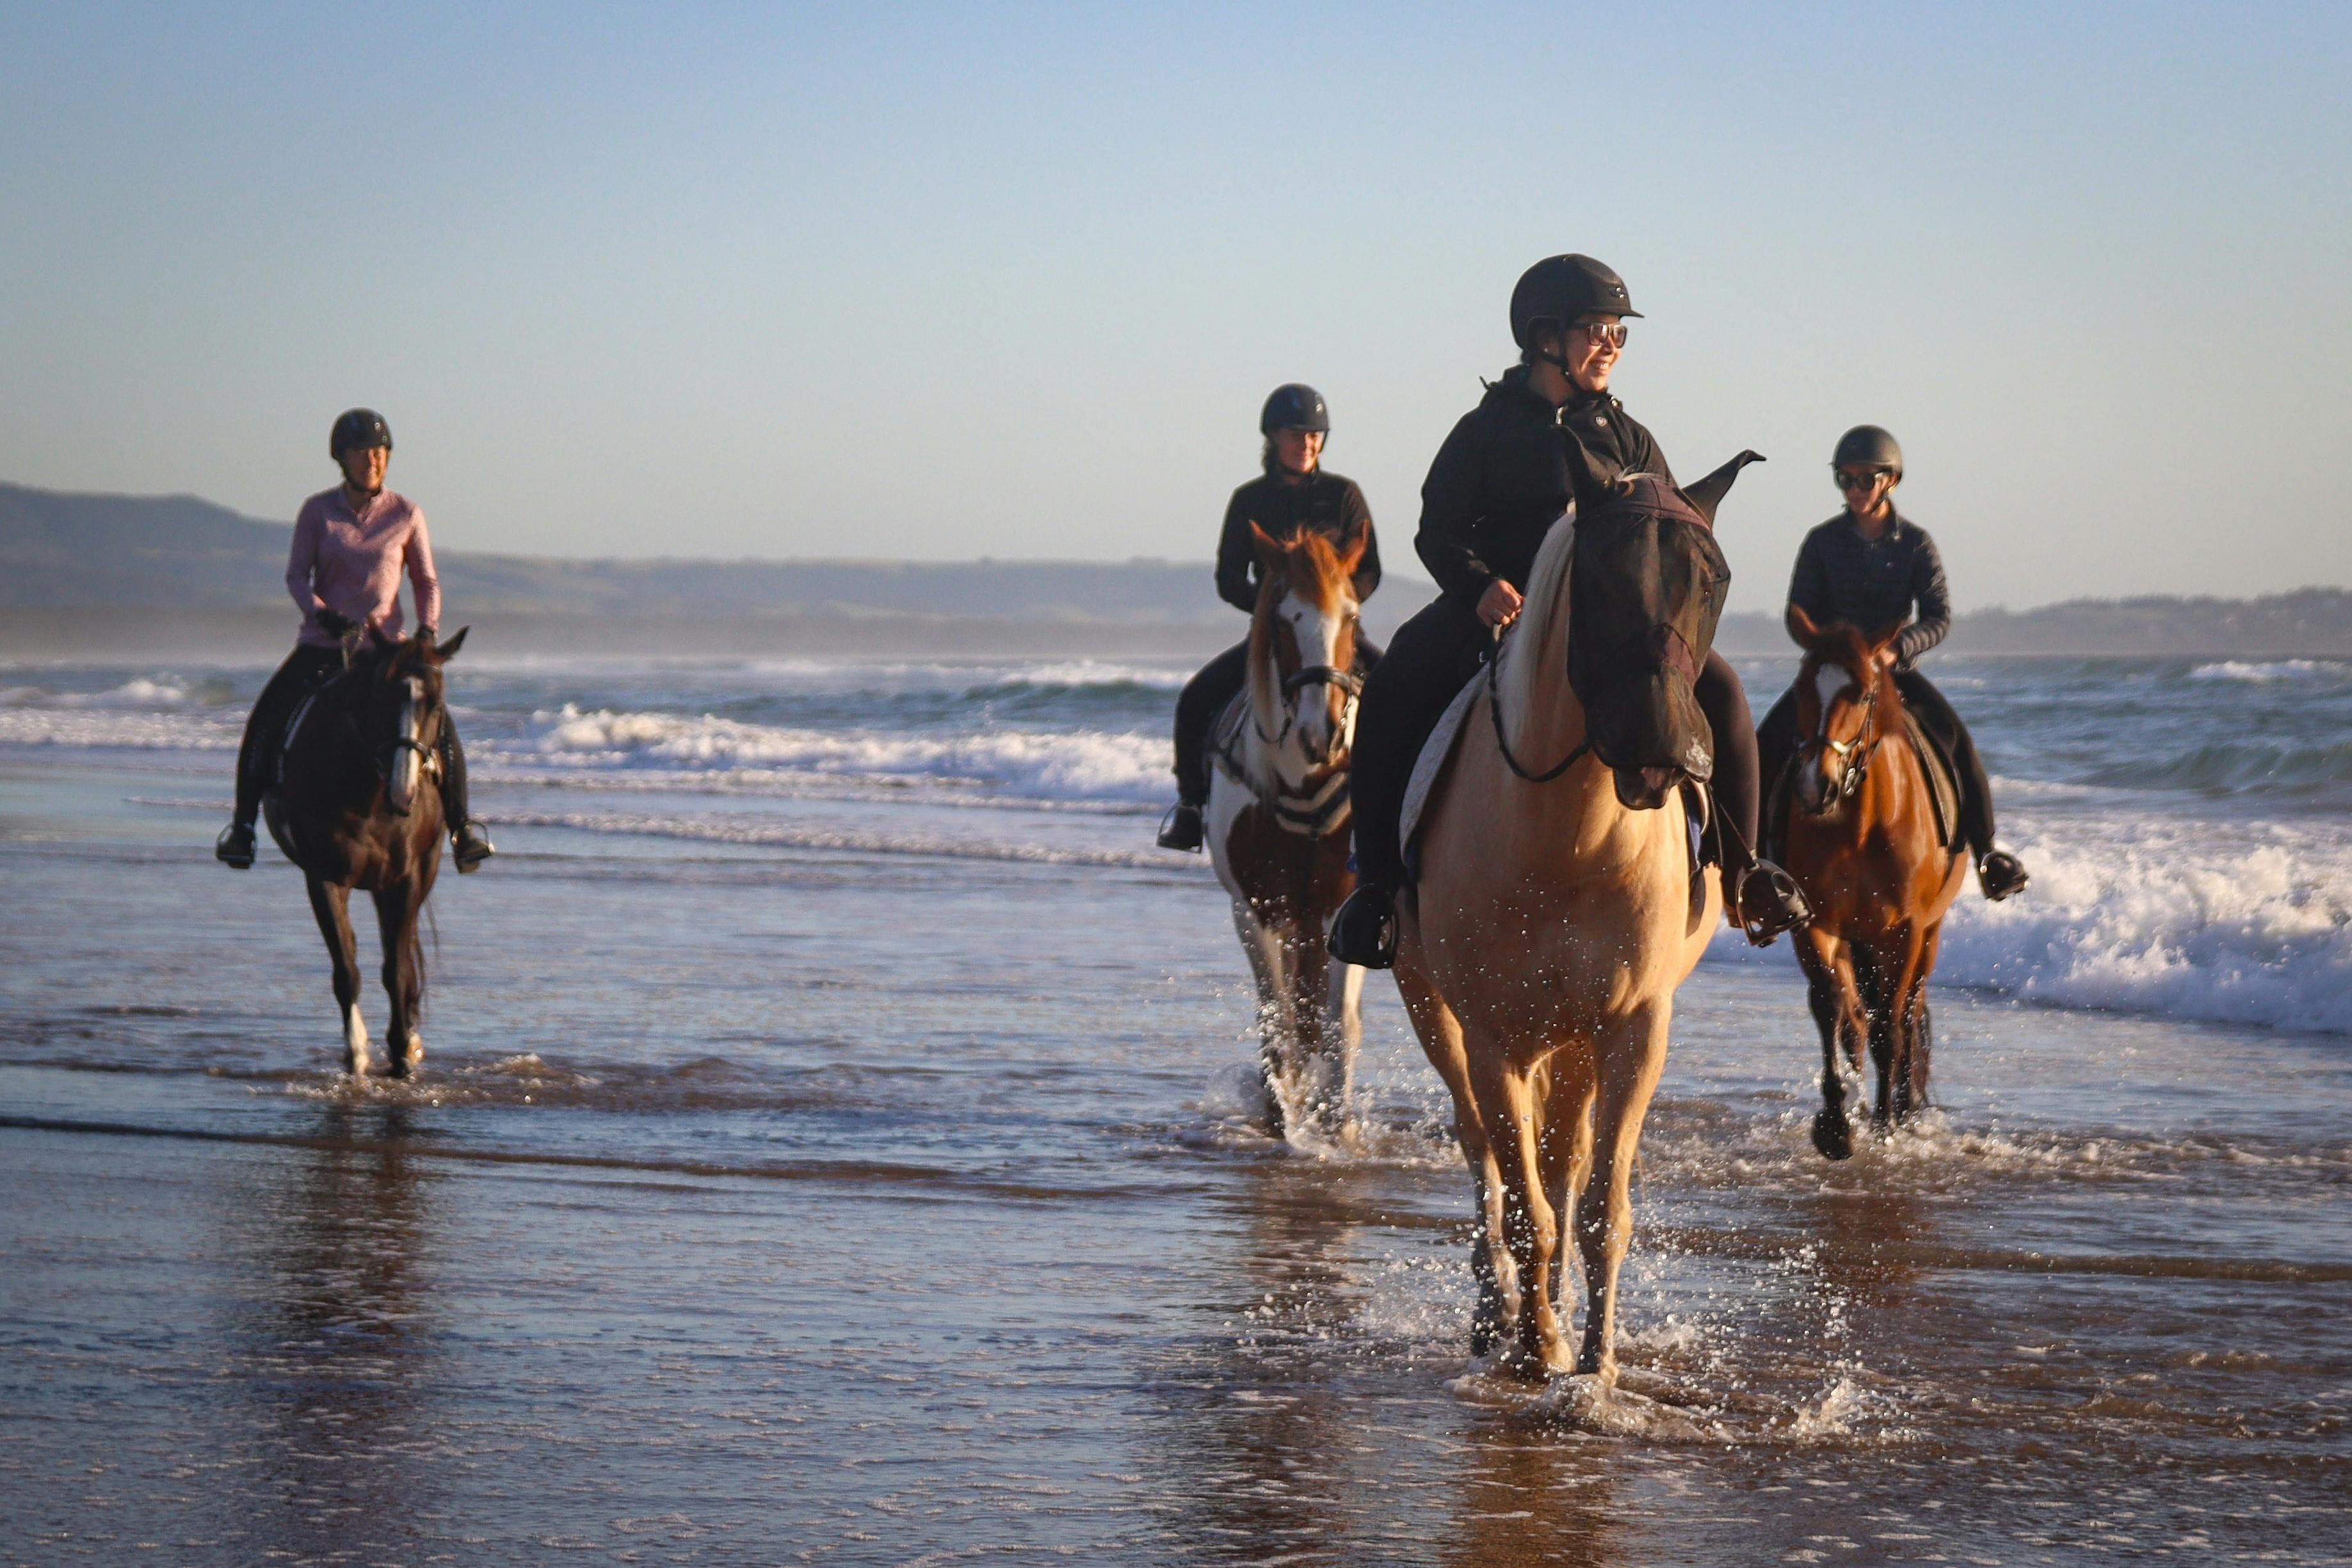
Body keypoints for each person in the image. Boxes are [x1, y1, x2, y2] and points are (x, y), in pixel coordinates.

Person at [1326, 255, 1808, 968]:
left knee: (1725, 691)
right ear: (1545, 337)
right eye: (1595, 330)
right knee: (1395, 682)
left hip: (1609, 624)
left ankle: (1744, 873)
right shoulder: (1485, 430)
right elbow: (1437, 531)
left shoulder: (1629, 437)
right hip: (1500, 609)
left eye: (1618, 333)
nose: (1610, 345)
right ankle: (1374, 891)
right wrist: (1479, 585)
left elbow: (1664, 536)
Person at [214, 408, 494, 873]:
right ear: (341, 459)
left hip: (386, 652)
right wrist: (322, 614)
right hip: (324, 646)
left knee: (439, 722)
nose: (374, 461)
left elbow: (426, 581)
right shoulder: (317, 512)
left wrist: (427, 631)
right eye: (363, 453)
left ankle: (463, 828)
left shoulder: (406, 514)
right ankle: (243, 828)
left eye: (381, 453)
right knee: (267, 715)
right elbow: (296, 577)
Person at [1755, 426, 2029, 900]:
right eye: (1845, 479)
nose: (1855, 489)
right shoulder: (1821, 542)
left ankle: (1988, 855)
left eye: (1865, 479)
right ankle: (1758, 866)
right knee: (1766, 744)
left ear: (1891, 481)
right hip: (1834, 675)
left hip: (1892, 671)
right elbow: (1799, 609)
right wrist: (1824, 646)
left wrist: (1896, 650)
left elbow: (1938, 617)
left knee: (1957, 741)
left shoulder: (1916, 544)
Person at [1156, 383, 1383, 852]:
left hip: (1336, 638)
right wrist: (1274, 614)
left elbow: (1370, 570)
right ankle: (1190, 808)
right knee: (1195, 701)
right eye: (1297, 435)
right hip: (1277, 637)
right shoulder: (1249, 500)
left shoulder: (1344, 495)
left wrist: (1334, 610)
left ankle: (1401, 807)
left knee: (1399, 693)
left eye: (1315, 436)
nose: (1307, 444)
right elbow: (1229, 578)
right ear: (1274, 437)